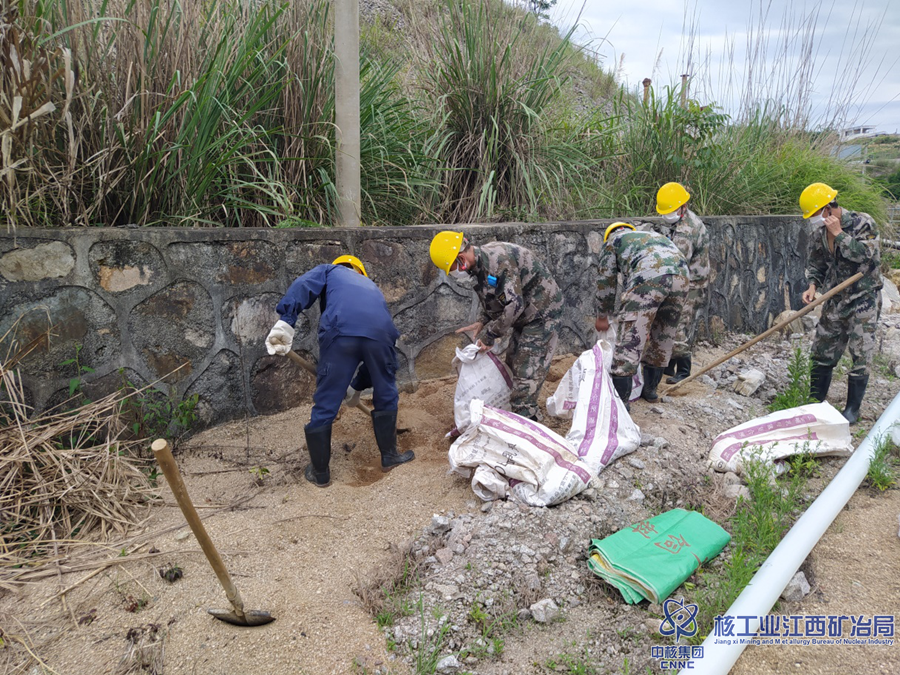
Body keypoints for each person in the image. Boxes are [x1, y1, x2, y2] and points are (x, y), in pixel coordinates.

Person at [265, 254, 414, 487]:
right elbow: (380, 363)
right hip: (382, 334)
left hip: (340, 331)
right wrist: (358, 386)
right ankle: (390, 456)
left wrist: (287, 320)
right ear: (360, 271)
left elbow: (304, 285)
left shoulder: (329, 271)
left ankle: (320, 472)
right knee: (385, 389)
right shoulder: (372, 287)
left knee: (327, 400)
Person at [429, 231, 564, 421]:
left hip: (543, 312)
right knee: (512, 363)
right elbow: (494, 297)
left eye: (450, 269)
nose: (452, 273)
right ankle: (517, 413)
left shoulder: (499, 261)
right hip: (525, 313)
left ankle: (528, 423)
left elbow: (513, 305)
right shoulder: (478, 267)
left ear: (460, 259)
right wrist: (482, 320)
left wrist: (489, 336)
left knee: (527, 370)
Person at [799, 182, 882, 424]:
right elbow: (817, 263)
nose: (812, 220)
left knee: (860, 354)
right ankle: (815, 403)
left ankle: (852, 410)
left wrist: (840, 236)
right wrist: (812, 285)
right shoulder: (818, 233)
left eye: (814, 214)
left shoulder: (863, 223)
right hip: (835, 298)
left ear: (827, 208)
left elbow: (869, 258)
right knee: (823, 350)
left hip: (862, 299)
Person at [595, 222, 688, 409]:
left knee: (630, 341)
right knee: (663, 336)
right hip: (682, 278)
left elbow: (606, 282)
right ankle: (650, 392)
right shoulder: (651, 237)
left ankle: (621, 403)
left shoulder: (612, 242)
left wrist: (603, 315)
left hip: (649, 278)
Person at [644, 182, 710, 384]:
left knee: (678, 325)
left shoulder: (687, 230)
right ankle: (669, 367)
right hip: (680, 281)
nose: (667, 215)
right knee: (668, 323)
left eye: (671, 211)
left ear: (683, 207)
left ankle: (683, 369)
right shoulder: (677, 222)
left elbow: (677, 260)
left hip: (691, 285)